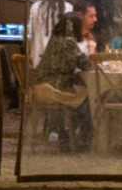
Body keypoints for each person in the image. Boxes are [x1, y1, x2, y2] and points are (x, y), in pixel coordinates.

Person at [32, 12, 93, 151]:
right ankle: (80, 139)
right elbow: (86, 64)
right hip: (53, 88)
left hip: (41, 85)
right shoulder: (69, 42)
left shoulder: (54, 40)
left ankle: (66, 135)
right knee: (87, 98)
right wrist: (91, 47)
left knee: (82, 96)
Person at [27, 0, 71, 69]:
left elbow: (28, 34)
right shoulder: (68, 8)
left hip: (37, 62)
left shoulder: (36, 7)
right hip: (60, 66)